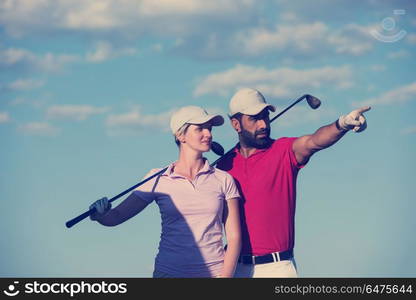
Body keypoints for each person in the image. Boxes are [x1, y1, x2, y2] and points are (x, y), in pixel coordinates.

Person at [216, 88, 371, 277]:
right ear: (236, 124)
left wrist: (342, 124)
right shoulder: (223, 165)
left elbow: (314, 141)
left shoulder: (283, 150)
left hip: (277, 268)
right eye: (254, 119)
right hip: (235, 269)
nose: (263, 124)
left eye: (265, 116)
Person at [89, 105, 241, 278]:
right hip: (169, 274)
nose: (208, 134)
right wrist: (101, 214)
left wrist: (225, 278)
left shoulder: (223, 179)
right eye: (200, 128)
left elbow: (234, 237)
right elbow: (115, 218)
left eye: (209, 128)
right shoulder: (157, 178)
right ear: (180, 135)